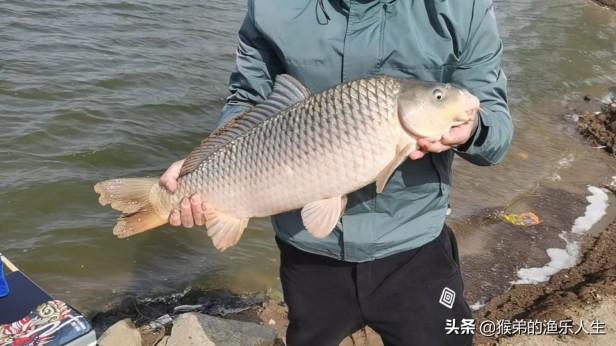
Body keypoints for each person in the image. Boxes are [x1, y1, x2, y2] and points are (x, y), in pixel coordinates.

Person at [160, 0, 513, 345]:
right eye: (438, 97)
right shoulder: (269, 7)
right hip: (308, 250)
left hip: (414, 245)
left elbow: (494, 127)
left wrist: (472, 130)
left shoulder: (462, 8)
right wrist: (202, 168)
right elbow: (249, 100)